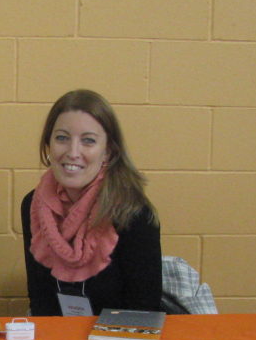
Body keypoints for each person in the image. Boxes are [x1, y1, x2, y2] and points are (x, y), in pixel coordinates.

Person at [21, 89, 162, 316]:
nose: (72, 152)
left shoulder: (132, 212)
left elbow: (143, 312)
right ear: (48, 145)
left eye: (88, 141)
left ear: (108, 152)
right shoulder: (33, 204)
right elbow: (40, 302)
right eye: (62, 138)